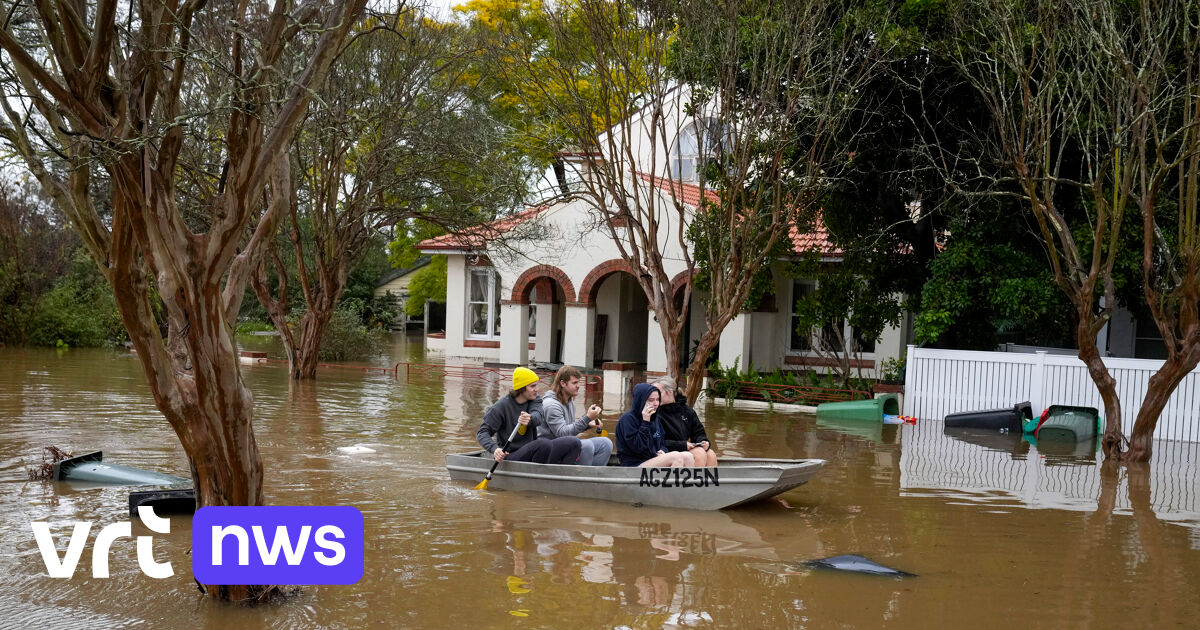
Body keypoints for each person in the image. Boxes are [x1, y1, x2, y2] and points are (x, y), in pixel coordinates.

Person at [477, 367, 581, 464]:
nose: (537, 389)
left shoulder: (535, 400)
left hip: (531, 450)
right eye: (532, 386)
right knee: (543, 444)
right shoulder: (500, 407)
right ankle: (537, 477)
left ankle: (563, 475)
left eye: (537, 385)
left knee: (574, 442)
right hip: (510, 455)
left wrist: (529, 419)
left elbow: (538, 417)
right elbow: (482, 433)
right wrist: (495, 449)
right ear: (521, 388)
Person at [540, 365, 614, 466]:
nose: (579, 385)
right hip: (549, 450)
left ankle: (594, 477)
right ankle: (581, 479)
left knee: (605, 443)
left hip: (567, 444)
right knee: (587, 445)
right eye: (574, 382)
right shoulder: (551, 405)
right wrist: (587, 418)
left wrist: (588, 424)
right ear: (562, 383)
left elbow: (570, 428)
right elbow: (563, 433)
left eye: (579, 382)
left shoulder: (569, 401)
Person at [615, 383, 694, 467]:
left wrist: (663, 451)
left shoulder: (655, 418)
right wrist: (645, 422)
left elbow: (661, 443)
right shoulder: (627, 419)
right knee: (676, 457)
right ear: (640, 400)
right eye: (651, 400)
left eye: (657, 399)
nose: (656, 404)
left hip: (652, 460)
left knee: (688, 456)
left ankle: (686, 480)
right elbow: (638, 448)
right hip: (634, 465)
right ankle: (674, 480)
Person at [651, 376, 718, 467]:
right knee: (699, 453)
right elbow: (654, 441)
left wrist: (703, 442)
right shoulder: (653, 412)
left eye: (658, 392)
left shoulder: (686, 411)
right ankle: (694, 481)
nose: (654, 396)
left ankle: (710, 481)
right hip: (664, 451)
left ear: (670, 391)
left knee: (710, 454)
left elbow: (698, 432)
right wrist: (682, 445)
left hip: (683, 448)